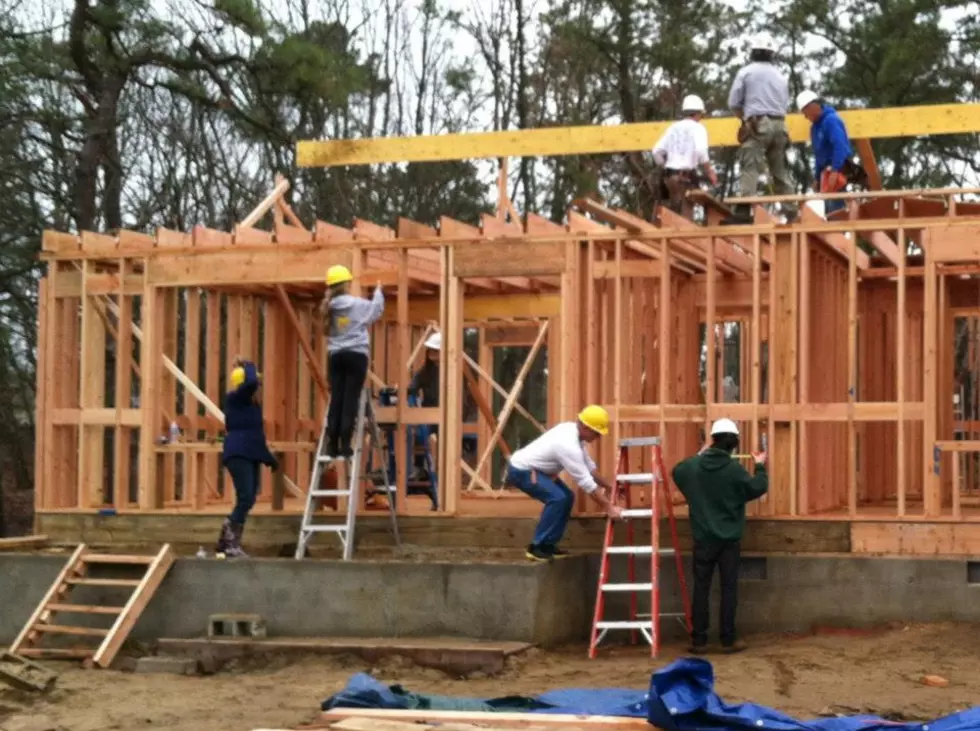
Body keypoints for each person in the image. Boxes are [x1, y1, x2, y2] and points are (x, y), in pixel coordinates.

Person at [671, 418, 767, 653]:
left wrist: (700, 452)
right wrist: (761, 465)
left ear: (712, 440)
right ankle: (728, 639)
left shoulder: (694, 468)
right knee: (729, 589)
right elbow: (758, 487)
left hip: (703, 540)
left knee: (701, 588)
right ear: (734, 445)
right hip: (729, 541)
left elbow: (677, 470)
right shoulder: (734, 470)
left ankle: (699, 640)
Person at [505, 405, 624, 562]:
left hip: (539, 471)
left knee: (567, 497)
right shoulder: (567, 444)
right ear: (585, 427)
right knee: (557, 499)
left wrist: (609, 487)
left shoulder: (574, 434)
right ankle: (536, 547)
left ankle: (548, 545)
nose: (598, 437)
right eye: (596, 432)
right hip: (522, 470)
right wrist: (609, 507)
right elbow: (586, 483)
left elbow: (590, 469)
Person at [723, 35, 796, 225]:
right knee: (780, 171)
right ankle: (792, 213)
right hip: (780, 126)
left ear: (753, 53)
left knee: (750, 167)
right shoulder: (781, 75)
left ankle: (744, 212)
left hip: (758, 124)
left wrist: (745, 119)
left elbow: (733, 102)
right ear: (772, 54)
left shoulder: (746, 72)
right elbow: (784, 103)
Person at [321, 265, 384, 459]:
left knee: (337, 398)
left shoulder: (328, 307)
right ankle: (345, 445)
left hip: (335, 356)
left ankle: (332, 445)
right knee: (350, 399)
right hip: (356, 355)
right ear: (347, 283)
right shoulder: (356, 304)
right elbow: (375, 311)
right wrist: (379, 291)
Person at [216, 358, 278, 558]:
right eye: (257, 383)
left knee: (249, 498)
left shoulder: (252, 406)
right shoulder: (235, 398)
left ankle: (229, 540)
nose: (258, 387)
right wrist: (249, 365)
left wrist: (268, 458)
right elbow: (250, 382)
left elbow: (255, 435)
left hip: (249, 453)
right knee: (245, 497)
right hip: (238, 453)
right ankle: (229, 541)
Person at [652, 94, 719, 217]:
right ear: (698, 113)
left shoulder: (672, 128)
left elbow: (656, 151)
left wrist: (665, 165)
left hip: (670, 179)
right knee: (685, 220)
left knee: (670, 216)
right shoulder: (698, 128)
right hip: (685, 179)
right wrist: (710, 171)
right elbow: (702, 153)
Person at [797, 90, 857, 217]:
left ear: (812, 106)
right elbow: (819, 155)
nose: (805, 117)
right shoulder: (815, 128)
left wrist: (835, 170)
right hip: (827, 172)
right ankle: (835, 230)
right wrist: (817, 178)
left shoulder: (831, 120)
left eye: (805, 112)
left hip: (837, 169)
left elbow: (840, 146)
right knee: (830, 208)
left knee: (835, 209)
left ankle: (837, 233)